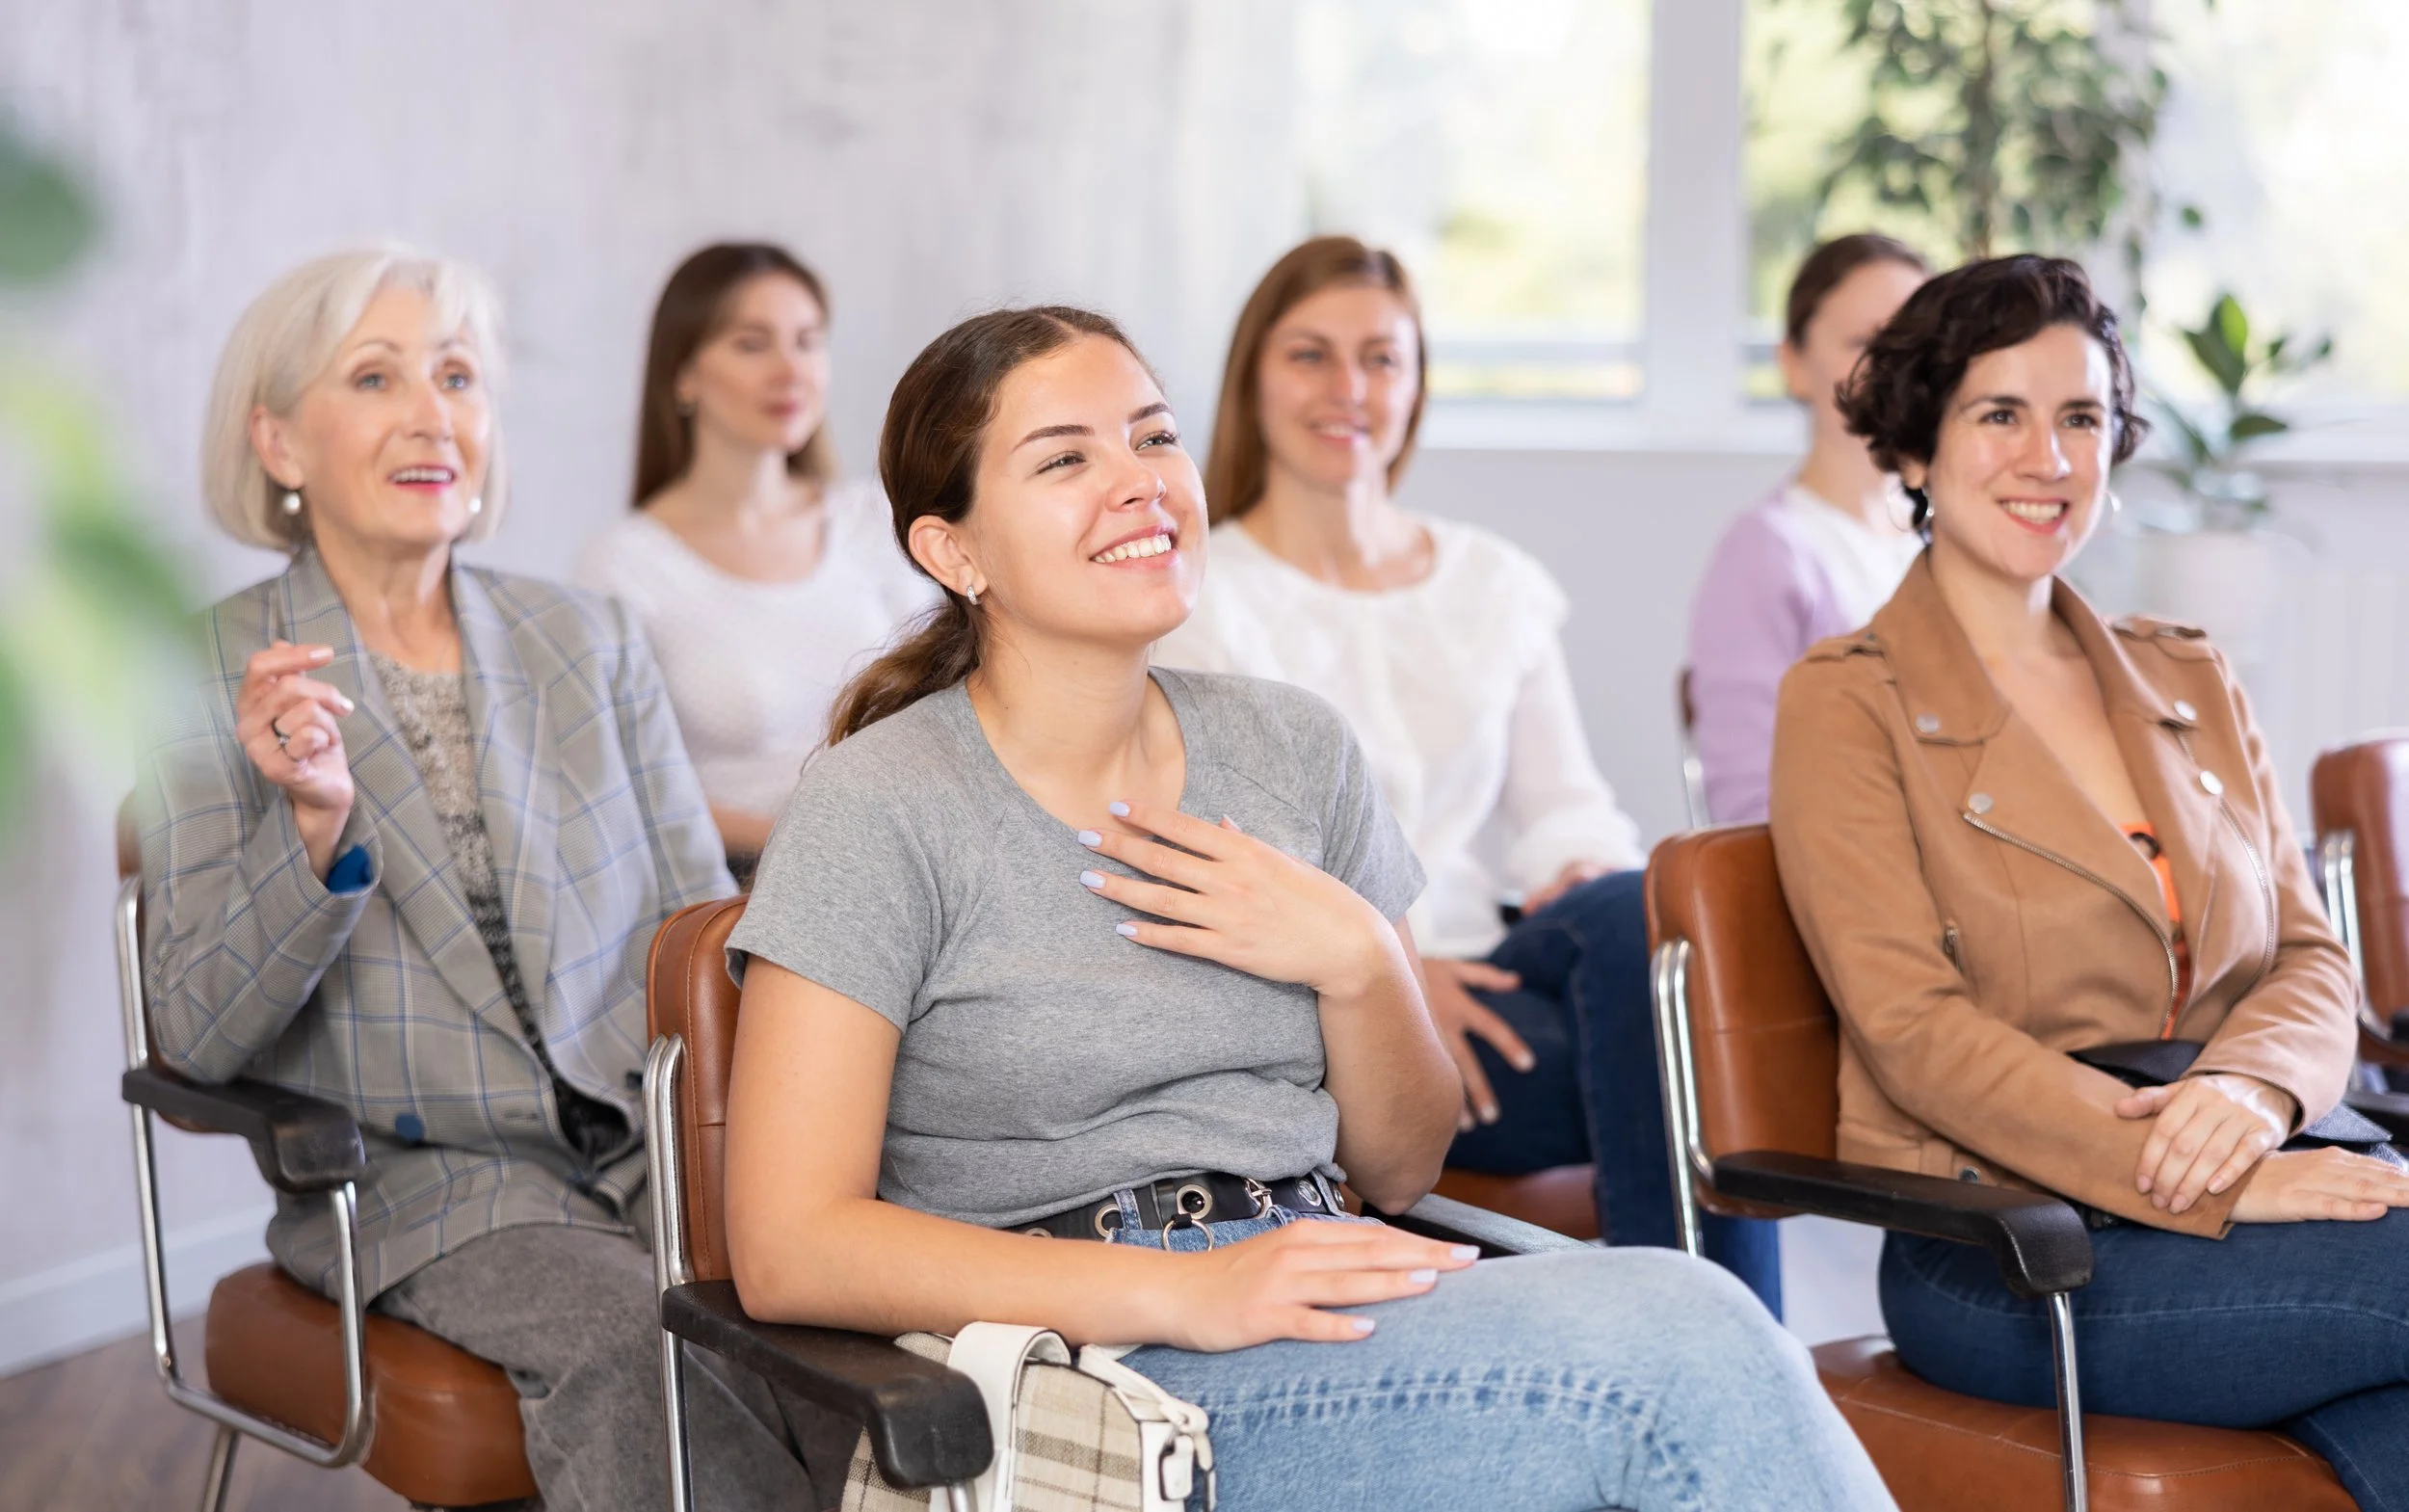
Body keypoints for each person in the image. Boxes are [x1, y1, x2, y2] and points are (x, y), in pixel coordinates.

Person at [719, 303, 1892, 1512]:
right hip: (1099, 1371)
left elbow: (1400, 1161)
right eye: (1066, 459)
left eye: (1154, 438)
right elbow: (789, 1246)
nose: (1139, 484)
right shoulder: (878, 805)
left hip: (1322, 1284)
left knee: (1700, 1318)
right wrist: (1188, 1292)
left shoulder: (1291, 750)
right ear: (953, 552)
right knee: (1679, 1354)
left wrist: (1363, 960)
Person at [137, 249, 821, 1512]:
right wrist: (312, 827)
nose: (430, 412)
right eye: (376, 376)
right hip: (425, 1190)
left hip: (654, 1146)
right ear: (278, 442)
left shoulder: (587, 637)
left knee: (845, 1303)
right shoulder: (201, 671)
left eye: (457, 375)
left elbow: (696, 931)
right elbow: (194, 1030)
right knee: (631, 1338)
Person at [1770, 253, 2409, 1508]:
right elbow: (1914, 1032)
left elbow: (2309, 953)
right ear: (1913, 450)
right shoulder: (1849, 702)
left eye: (2080, 419)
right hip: (2012, 1244)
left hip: (2254, 1150)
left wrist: (2251, 1091)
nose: (2047, 457)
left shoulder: (2192, 675)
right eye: (1998, 414)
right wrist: (2216, 1173)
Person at [1152, 236, 1781, 1310]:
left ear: (1416, 387)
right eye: (1311, 355)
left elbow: (1565, 810)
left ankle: (1698, 1343)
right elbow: (1230, 863)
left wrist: (1570, 864)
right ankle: (1731, 1348)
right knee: (1691, 1072)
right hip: (1325, 1006)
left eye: (1382, 359)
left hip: (1497, 970)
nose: (1349, 389)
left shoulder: (1494, 584)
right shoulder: (1198, 601)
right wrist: (1392, 971)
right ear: (1253, 375)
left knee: (1631, 910)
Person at [579, 243, 932, 883]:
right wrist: (817, 844)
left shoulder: (881, 520)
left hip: (923, 865)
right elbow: (622, 789)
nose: (790, 371)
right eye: (752, 344)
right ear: (683, 373)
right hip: (745, 890)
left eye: (807, 342)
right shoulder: (626, 568)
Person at [1688, 233, 1929, 824]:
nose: (1896, 368)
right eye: (1864, 343)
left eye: (1918, 345)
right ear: (1793, 364)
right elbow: (1748, 813)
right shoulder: (1766, 555)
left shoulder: (1962, 544)